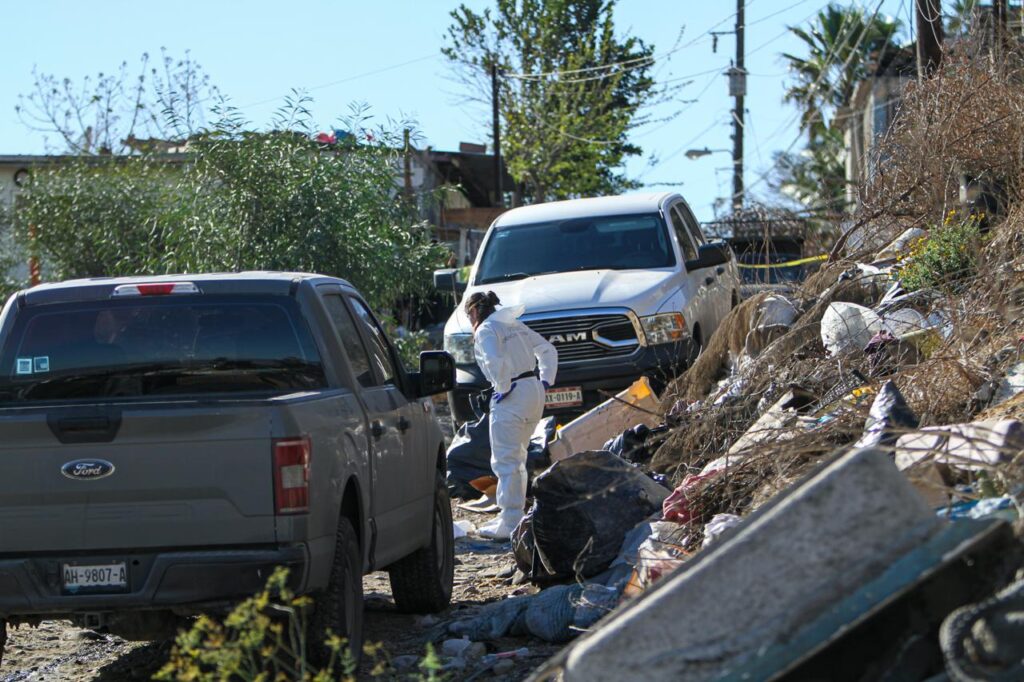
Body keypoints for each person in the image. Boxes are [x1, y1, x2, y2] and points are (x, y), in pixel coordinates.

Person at [465, 291, 557, 540]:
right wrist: (545, 381)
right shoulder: (513, 324)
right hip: (533, 391)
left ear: (474, 312)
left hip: (513, 394)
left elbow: (495, 364)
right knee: (519, 457)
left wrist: (503, 389)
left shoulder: (485, 330)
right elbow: (548, 350)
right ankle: (512, 515)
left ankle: (510, 521)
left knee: (506, 460)